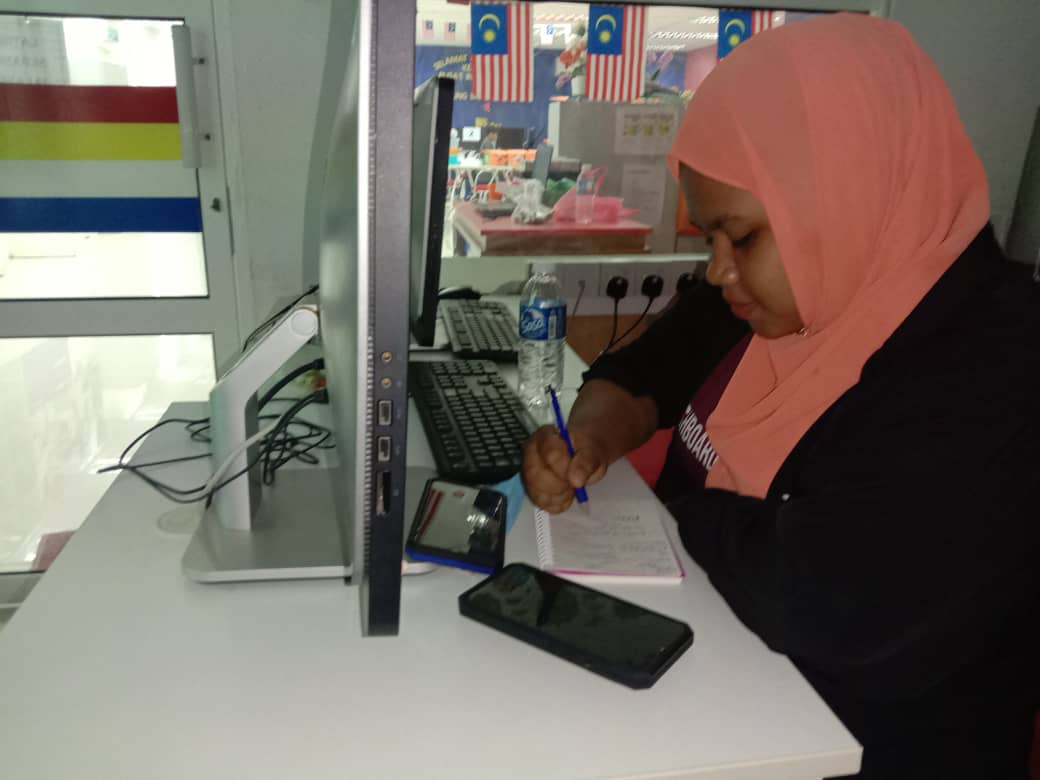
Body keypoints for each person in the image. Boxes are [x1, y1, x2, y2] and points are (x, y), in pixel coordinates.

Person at [521, 13, 1040, 780]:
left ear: (842, 195)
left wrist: (681, 514)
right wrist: (588, 441)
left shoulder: (996, 365)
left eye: (741, 237)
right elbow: (641, 374)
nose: (718, 270)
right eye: (709, 239)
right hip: (722, 682)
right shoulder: (770, 295)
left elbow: (828, 602)